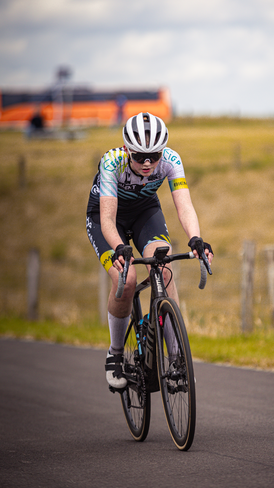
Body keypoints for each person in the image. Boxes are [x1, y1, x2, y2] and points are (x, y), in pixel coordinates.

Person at [86, 112, 213, 389]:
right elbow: (107, 219)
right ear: (127, 150)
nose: (147, 163)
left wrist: (196, 238)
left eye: (153, 156)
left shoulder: (171, 161)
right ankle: (116, 354)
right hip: (107, 218)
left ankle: (178, 359)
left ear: (162, 152)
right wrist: (120, 246)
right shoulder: (112, 162)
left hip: (145, 212)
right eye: (139, 156)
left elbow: (184, 205)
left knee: (164, 270)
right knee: (127, 279)